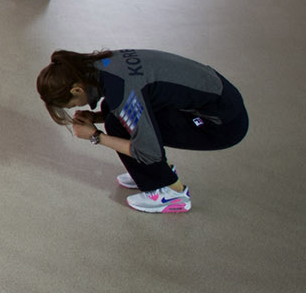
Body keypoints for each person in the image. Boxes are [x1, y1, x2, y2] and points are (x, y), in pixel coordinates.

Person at [37, 49, 249, 214]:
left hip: (223, 124)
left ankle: (171, 192)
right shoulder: (103, 62)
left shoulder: (122, 93)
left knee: (118, 126)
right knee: (115, 117)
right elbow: (138, 93)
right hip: (220, 96)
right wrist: (96, 117)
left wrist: (95, 136)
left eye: (72, 104)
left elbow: (148, 150)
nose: (76, 107)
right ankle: (149, 174)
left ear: (77, 90)